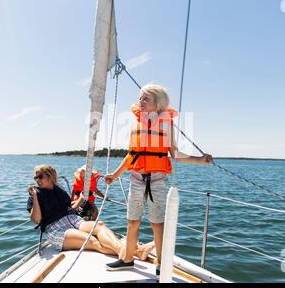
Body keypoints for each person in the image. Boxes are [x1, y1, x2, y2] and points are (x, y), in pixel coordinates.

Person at [104, 84, 212, 274]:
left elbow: (174, 153)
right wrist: (114, 175)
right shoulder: (136, 123)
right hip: (136, 178)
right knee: (132, 221)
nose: (141, 101)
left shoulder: (166, 124)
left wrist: (200, 160)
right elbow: (132, 155)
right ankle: (127, 259)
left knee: (157, 223)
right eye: (140, 98)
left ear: (158, 103)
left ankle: (162, 264)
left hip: (157, 180)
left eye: (146, 99)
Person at [27, 164, 154, 261]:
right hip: (56, 228)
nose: (37, 180)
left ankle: (127, 252)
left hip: (72, 219)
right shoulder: (35, 194)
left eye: (40, 176)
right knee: (93, 241)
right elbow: (36, 219)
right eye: (35, 177)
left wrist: (81, 199)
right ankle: (133, 252)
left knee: (99, 225)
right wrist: (35, 198)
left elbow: (69, 207)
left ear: (49, 176)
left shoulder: (58, 190)